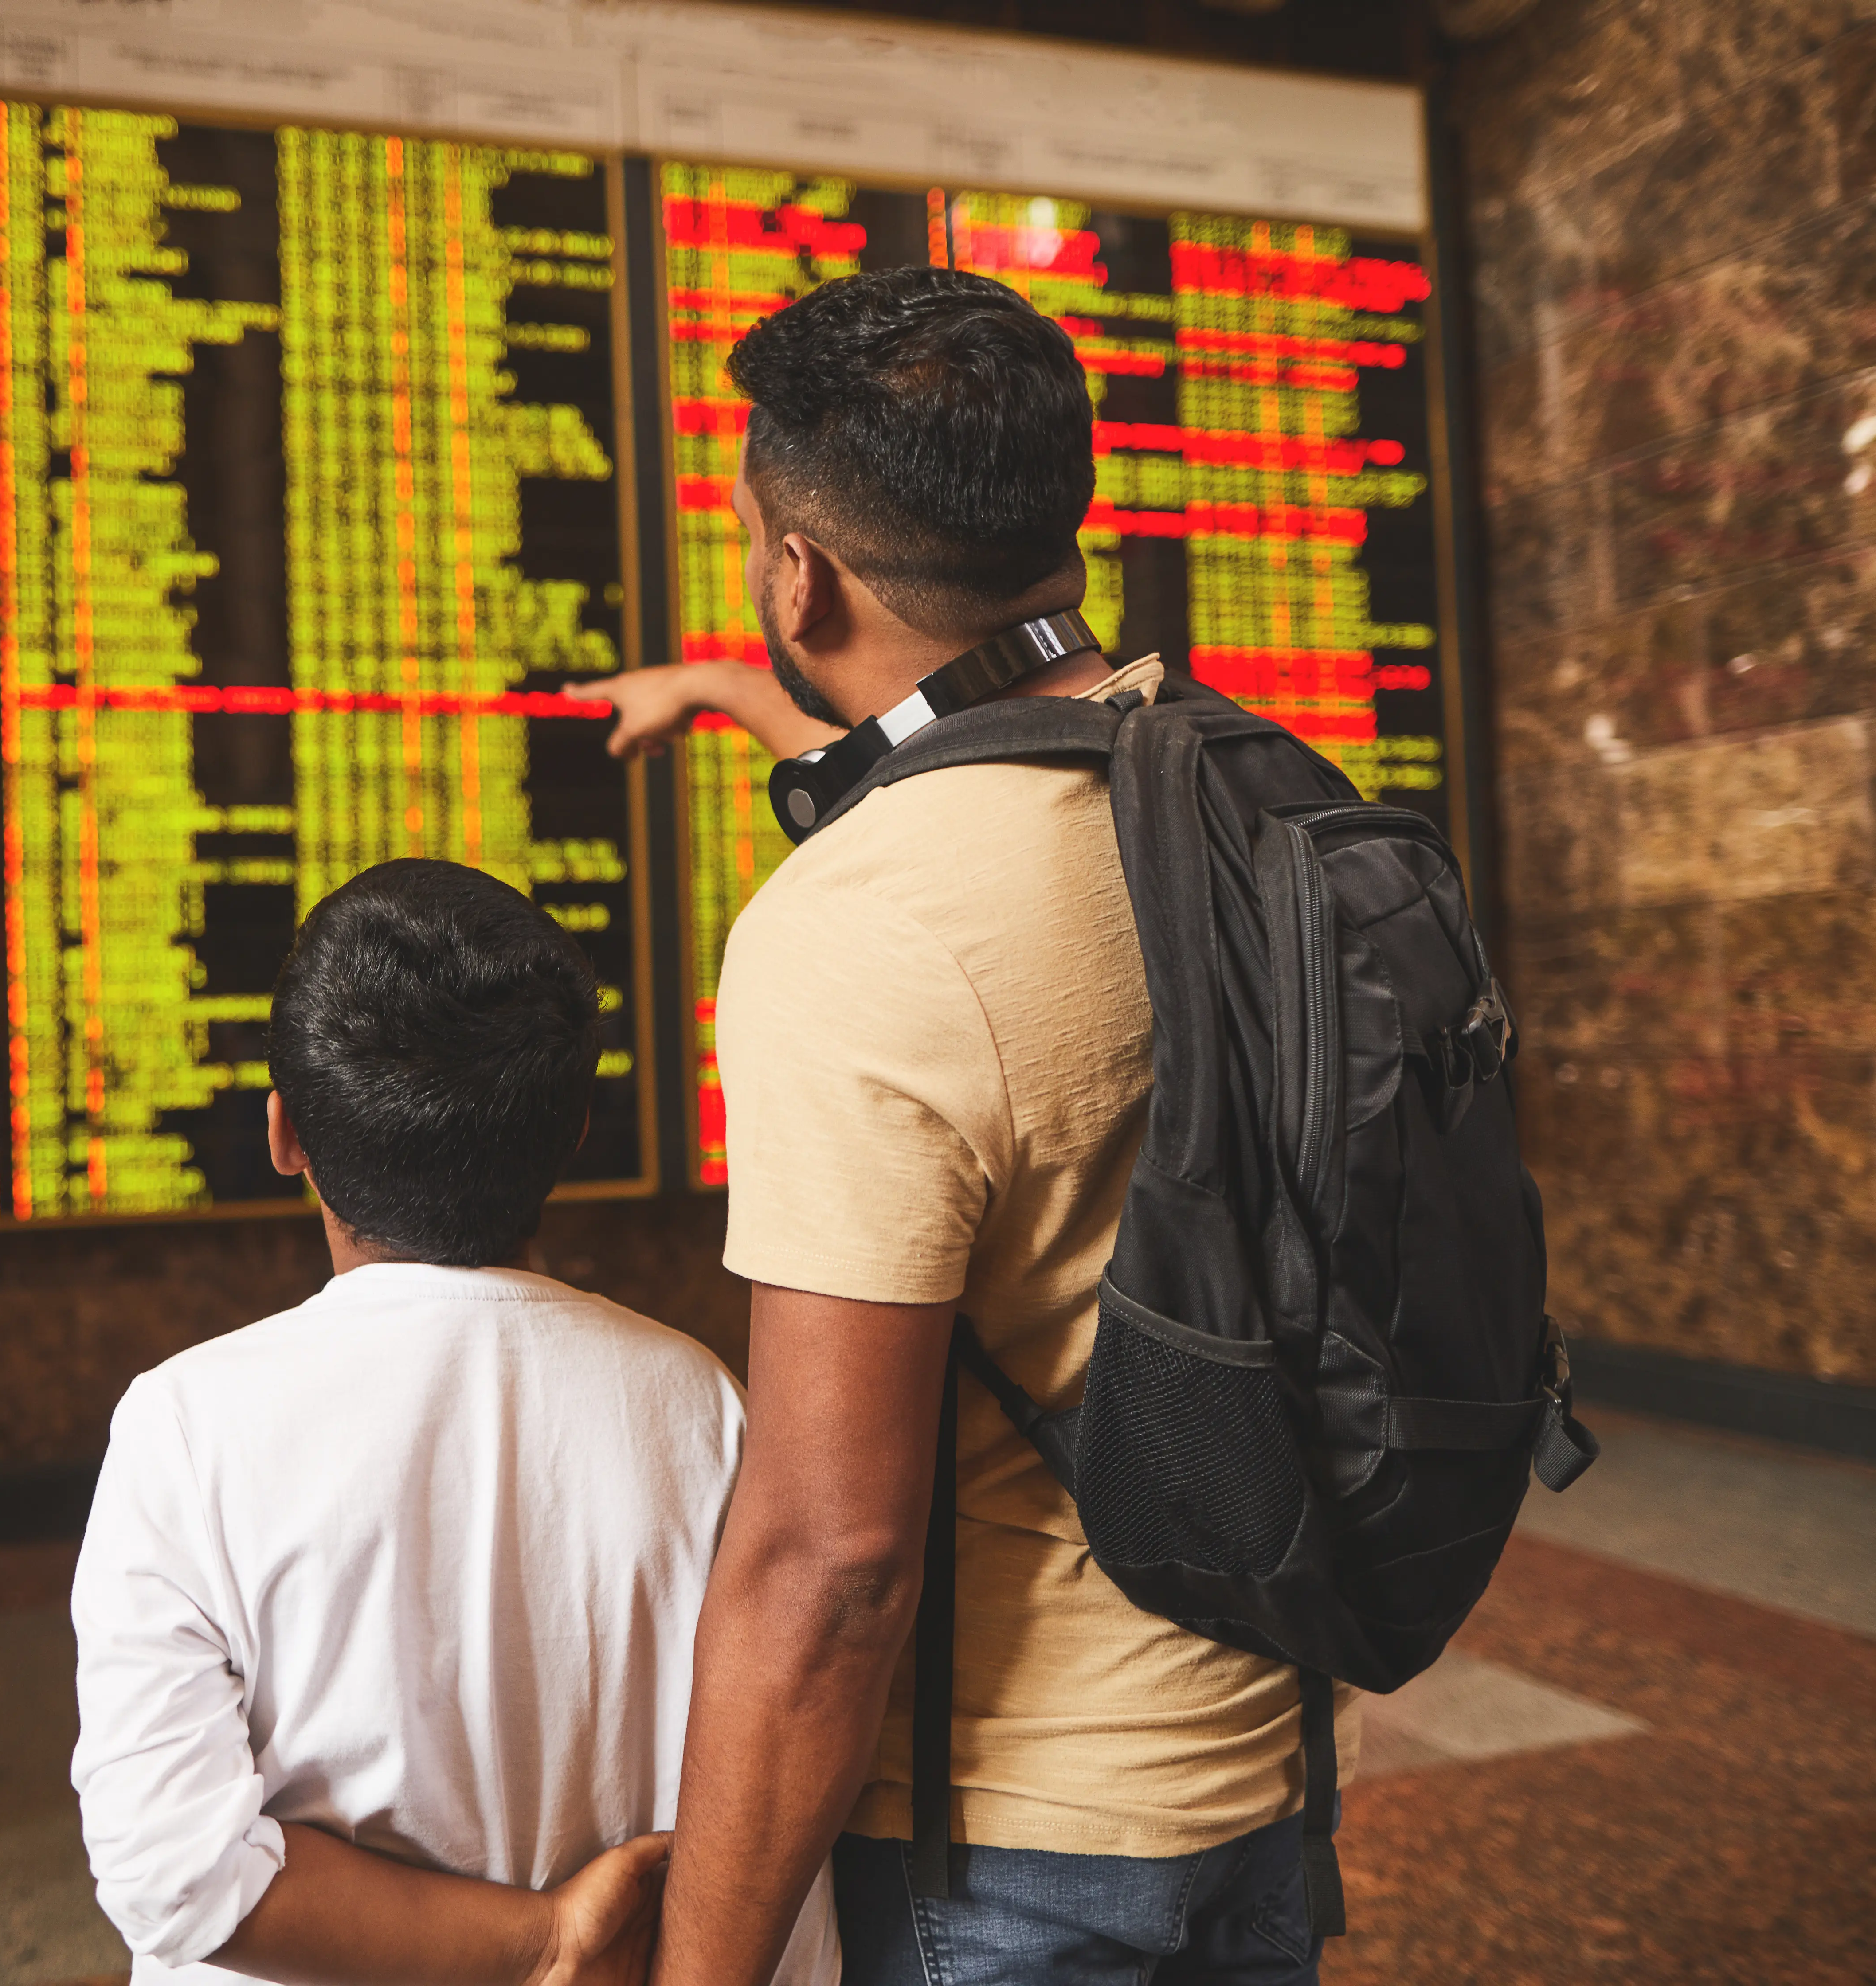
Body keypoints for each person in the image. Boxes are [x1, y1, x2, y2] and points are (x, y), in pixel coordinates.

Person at [576, 268, 1357, 1986]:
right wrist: (725, 684)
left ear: (802, 568)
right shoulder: (1247, 795)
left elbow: (833, 1558)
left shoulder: (857, 930)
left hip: (1021, 1854)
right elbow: (944, 771)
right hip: (1268, 1772)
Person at [70, 859, 839, 1986]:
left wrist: (542, 1946)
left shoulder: (186, 1428)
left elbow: (171, 1868)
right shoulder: (704, 1407)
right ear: (578, 1128)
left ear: (285, 1132)